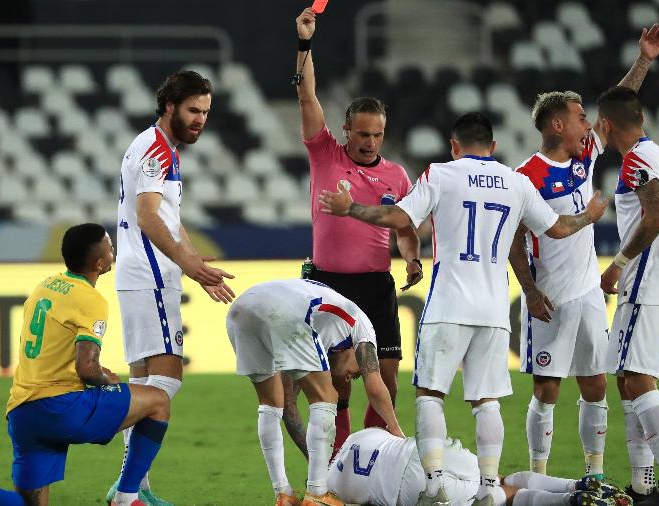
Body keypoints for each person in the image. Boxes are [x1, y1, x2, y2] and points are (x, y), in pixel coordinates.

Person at [320, 112, 607, 505]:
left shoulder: (441, 174)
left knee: (429, 394)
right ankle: (490, 487)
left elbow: (400, 217)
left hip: (449, 304)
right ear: (493, 147)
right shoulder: (517, 182)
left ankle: (435, 481)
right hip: (493, 310)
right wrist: (589, 216)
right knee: (486, 400)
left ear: (454, 146)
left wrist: (350, 208)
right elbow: (555, 227)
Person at [507, 23, 659, 478]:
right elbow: (515, 243)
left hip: (588, 293)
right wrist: (531, 292)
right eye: (580, 118)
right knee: (546, 388)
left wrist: (644, 60)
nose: (590, 125)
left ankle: (593, 476)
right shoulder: (527, 177)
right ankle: (538, 474)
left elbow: (617, 102)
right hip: (548, 299)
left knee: (595, 385)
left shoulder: (585, 155)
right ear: (558, 124)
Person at [0, 223, 171, 506]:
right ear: (99, 263)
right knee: (158, 401)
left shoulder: (44, 286)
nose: (113, 251)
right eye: (110, 248)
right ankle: (126, 495)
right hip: (59, 407)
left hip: (22, 411)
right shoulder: (91, 299)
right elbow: (86, 368)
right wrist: (108, 381)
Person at [295, 7, 423, 453]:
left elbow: (405, 226)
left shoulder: (397, 176)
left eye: (378, 135)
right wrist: (305, 45)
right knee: (338, 377)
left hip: (374, 284)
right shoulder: (326, 154)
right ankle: (340, 455)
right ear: (347, 129)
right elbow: (308, 98)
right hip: (329, 284)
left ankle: (374, 454)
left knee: (388, 376)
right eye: (363, 133)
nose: (370, 142)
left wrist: (410, 256)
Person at [108, 70, 236, 506]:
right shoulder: (155, 149)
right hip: (148, 275)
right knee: (166, 382)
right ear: (169, 106)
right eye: (193, 110)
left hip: (142, 274)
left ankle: (134, 487)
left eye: (206, 112)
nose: (201, 119)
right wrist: (186, 264)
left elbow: (166, 218)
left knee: (144, 379)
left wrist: (192, 258)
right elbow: (146, 216)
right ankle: (122, 483)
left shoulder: (160, 148)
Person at [597, 86, 659, 505]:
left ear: (605, 125)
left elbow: (654, 217)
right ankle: (642, 485)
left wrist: (618, 262)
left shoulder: (637, 160)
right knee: (625, 381)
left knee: (638, 379)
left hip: (646, 281)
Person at [226, 279, 404, 506]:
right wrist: (396, 429)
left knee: (270, 403)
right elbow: (375, 382)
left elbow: (288, 401)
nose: (351, 377)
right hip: (284, 311)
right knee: (327, 397)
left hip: (240, 310)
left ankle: (283, 494)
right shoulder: (362, 325)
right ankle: (317, 494)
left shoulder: (323, 328)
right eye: (356, 373)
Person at [329, 428, 632, 506]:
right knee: (493, 479)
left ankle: (571, 501)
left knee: (492, 498)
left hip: (404, 492)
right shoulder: (360, 435)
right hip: (423, 452)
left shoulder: (332, 484)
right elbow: (393, 435)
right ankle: (577, 485)